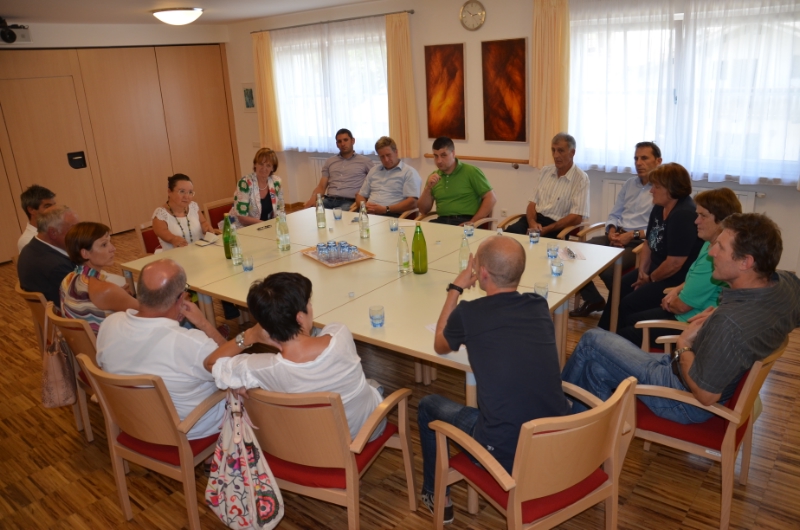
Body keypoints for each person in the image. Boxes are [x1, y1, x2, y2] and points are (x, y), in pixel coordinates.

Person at [563, 213, 800, 425]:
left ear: (745, 262)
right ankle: (583, 437)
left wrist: (683, 344)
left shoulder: (730, 323)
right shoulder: (785, 284)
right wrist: (717, 315)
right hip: (695, 370)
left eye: (720, 247)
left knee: (592, 339)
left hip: (684, 400)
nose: (711, 252)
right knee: (594, 368)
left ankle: (558, 416)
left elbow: (706, 396)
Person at [418, 236, 569, 523]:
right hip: (553, 441)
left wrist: (455, 289)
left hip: (504, 454)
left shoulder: (469, 313)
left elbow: (440, 344)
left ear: (482, 273)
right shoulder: (538, 305)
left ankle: (436, 496)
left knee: (428, 406)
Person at [96, 259, 272, 440]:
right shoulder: (191, 343)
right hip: (187, 431)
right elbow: (234, 368)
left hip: (131, 421)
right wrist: (204, 324)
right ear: (181, 298)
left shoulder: (110, 324)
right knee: (255, 390)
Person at [210, 272, 385, 442]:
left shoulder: (261, 367)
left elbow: (211, 363)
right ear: (300, 317)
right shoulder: (340, 334)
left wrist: (249, 335)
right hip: (367, 431)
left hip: (312, 442)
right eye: (309, 303)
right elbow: (318, 339)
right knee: (372, 385)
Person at [617, 188, 742, 346]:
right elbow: (693, 279)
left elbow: (682, 307)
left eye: (703, 216)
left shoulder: (714, 257)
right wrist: (677, 290)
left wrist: (670, 302)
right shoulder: (709, 243)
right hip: (687, 311)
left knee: (626, 331)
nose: (696, 221)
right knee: (630, 318)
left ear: (722, 221)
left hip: (688, 324)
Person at [597, 163, 704, 331]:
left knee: (629, 303)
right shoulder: (660, 207)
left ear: (672, 188)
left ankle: (622, 336)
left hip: (675, 278)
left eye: (656, 186)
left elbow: (674, 264)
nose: (651, 190)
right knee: (620, 286)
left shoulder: (683, 214)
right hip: (655, 270)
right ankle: (604, 331)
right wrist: (642, 271)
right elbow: (648, 241)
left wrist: (650, 279)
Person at [570, 142, 661, 317]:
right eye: (636, 158)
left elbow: (657, 229)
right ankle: (594, 300)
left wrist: (631, 235)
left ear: (658, 161)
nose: (639, 163)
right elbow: (614, 214)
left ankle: (621, 309)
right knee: (575, 255)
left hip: (639, 243)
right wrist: (611, 231)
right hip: (618, 235)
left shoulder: (661, 189)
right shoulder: (629, 184)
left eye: (644, 158)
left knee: (608, 269)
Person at [505, 133, 589, 237]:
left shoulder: (581, 179)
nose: (556, 155)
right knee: (510, 234)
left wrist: (547, 229)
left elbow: (577, 217)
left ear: (572, 153)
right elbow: (532, 204)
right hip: (534, 220)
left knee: (540, 244)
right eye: (553, 150)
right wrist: (532, 223)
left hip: (556, 226)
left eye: (560, 151)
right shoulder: (545, 171)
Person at [61, 222, 138, 334]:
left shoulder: (68, 278)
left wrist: (119, 295)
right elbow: (148, 313)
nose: (113, 248)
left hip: (82, 342)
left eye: (110, 242)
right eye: (104, 245)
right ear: (85, 253)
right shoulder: (105, 290)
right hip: (106, 342)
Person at [417, 137, 497, 226]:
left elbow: (491, 198)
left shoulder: (471, 172)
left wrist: (473, 222)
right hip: (442, 222)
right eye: (436, 156)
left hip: (465, 221)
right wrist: (428, 188)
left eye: (443, 155)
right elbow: (423, 210)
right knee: (419, 232)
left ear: (453, 153)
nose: (439, 161)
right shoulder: (433, 177)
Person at [17, 206, 79, 304]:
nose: (79, 234)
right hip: (65, 309)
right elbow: (81, 300)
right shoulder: (56, 267)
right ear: (53, 232)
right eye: (74, 229)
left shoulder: (30, 248)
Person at [303, 128, 375, 210]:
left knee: (339, 215)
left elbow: (375, 182)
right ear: (337, 144)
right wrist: (313, 198)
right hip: (329, 200)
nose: (343, 144)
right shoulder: (330, 161)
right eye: (339, 141)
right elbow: (321, 186)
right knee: (310, 212)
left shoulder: (365, 161)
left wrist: (364, 196)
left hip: (349, 202)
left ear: (353, 141)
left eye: (345, 140)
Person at [352, 136, 421, 216]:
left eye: (388, 155)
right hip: (368, 214)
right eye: (382, 156)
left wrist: (386, 209)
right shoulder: (374, 171)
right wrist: (364, 207)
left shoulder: (409, 172)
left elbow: (413, 202)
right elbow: (360, 195)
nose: (386, 160)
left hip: (391, 214)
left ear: (396, 152)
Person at [152, 174, 219, 250]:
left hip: (200, 251)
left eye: (190, 192)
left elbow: (203, 222)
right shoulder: (160, 214)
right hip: (175, 255)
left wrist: (206, 227)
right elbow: (162, 232)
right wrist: (173, 239)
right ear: (169, 192)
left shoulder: (193, 206)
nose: (187, 196)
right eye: (182, 191)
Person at [231, 147, 283, 226]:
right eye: (261, 164)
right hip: (244, 227)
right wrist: (266, 224)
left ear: (273, 168)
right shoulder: (245, 183)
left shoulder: (276, 182)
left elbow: (280, 209)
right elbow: (242, 217)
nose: (264, 168)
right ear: (255, 164)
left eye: (268, 165)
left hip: (267, 226)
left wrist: (279, 223)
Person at [17, 184, 56, 253]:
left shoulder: (57, 229)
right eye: (47, 206)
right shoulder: (27, 240)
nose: (54, 210)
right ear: (31, 210)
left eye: (54, 206)